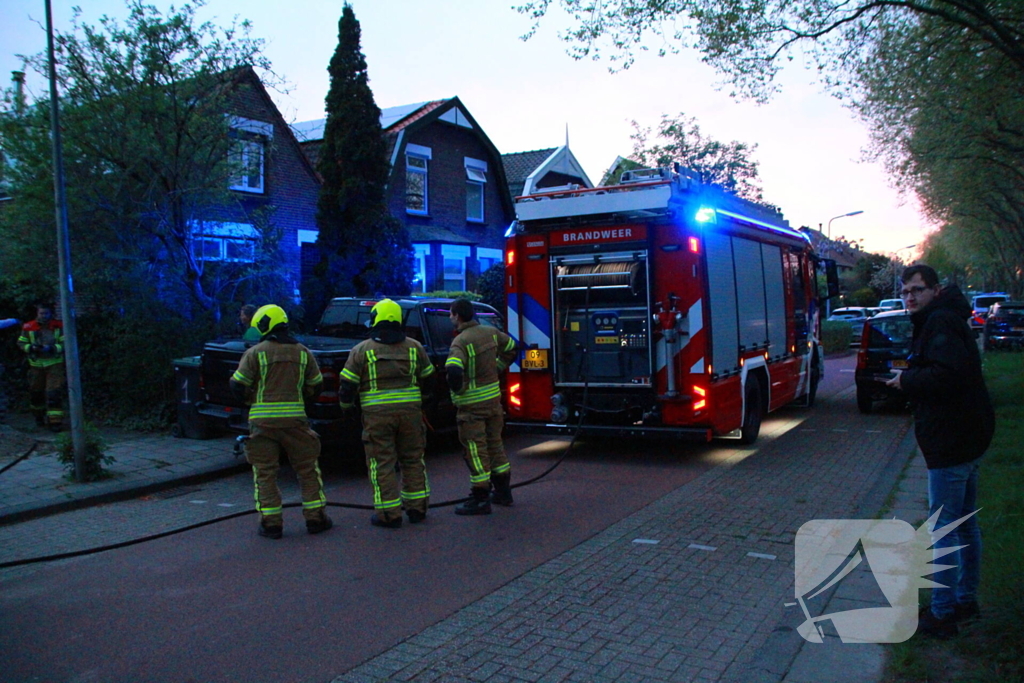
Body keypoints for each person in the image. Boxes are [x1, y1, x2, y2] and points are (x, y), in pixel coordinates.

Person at [885, 264, 994, 638]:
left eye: (917, 290)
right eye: (905, 292)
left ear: (935, 290)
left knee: (944, 530)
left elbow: (948, 376)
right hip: (968, 436)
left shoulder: (940, 323)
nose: (910, 297)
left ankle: (943, 613)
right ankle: (965, 600)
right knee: (965, 524)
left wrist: (906, 380)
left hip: (952, 440)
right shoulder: (944, 318)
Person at [230, 304, 332, 539]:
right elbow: (316, 385)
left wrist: (250, 400)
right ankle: (316, 519)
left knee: (265, 472)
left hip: (262, 422)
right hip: (295, 421)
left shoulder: (255, 353)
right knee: (307, 470)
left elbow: (237, 384)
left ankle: (271, 524)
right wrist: (301, 401)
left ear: (264, 325)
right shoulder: (303, 352)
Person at [339, 299, 435, 528]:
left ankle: (388, 514)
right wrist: (423, 404)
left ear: (375, 319)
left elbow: (347, 386)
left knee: (382, 463)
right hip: (411, 415)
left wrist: (347, 410)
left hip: (377, 417)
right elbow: (430, 379)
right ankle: (417, 509)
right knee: (413, 460)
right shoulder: (415, 347)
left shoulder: (362, 350)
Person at [446, 298, 518, 515]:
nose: (450, 318)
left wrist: (458, 391)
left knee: (476, 451)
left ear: (458, 316)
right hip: (493, 403)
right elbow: (512, 347)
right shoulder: (490, 332)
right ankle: (504, 493)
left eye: (451, 314)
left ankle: (480, 499)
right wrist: (497, 367)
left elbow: (454, 369)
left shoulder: (460, 341)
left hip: (472, 408)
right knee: (495, 445)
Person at [17, 304, 65, 430]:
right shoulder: (28, 326)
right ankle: (39, 417)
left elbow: (64, 343)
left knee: (53, 393)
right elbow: (21, 342)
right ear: (37, 314)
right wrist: (31, 348)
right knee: (36, 393)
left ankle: (55, 422)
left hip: (54, 364)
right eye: (41, 313)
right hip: (35, 365)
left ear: (51, 314)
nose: (43, 316)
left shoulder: (58, 326)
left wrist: (52, 349)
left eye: (46, 313)